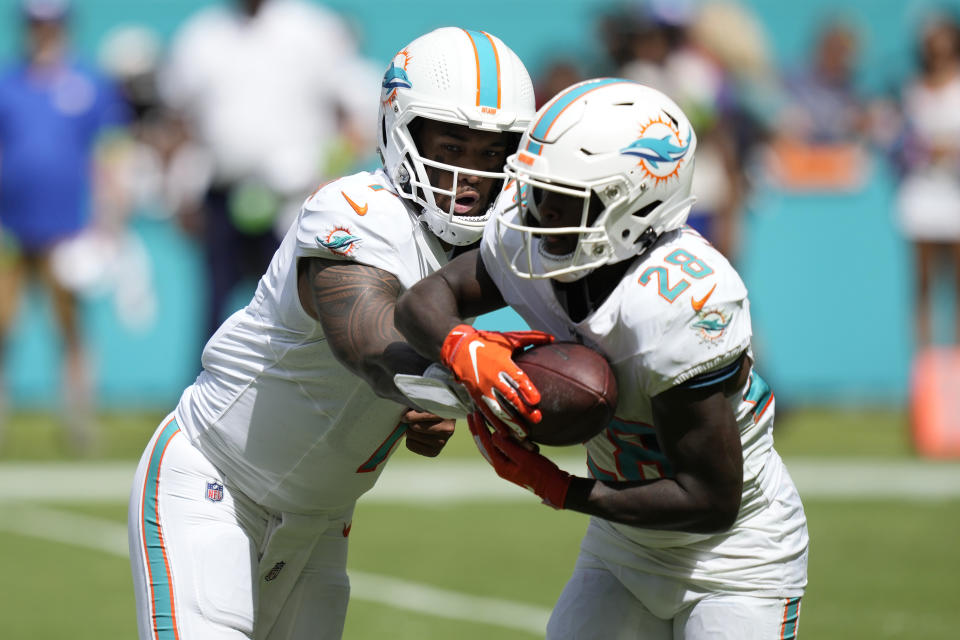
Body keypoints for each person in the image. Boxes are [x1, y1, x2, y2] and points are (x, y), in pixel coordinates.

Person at [127, 27, 534, 640]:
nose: (469, 174)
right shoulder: (355, 209)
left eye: (489, 153)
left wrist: (420, 400)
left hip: (320, 523)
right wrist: (458, 371)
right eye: (452, 145)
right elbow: (367, 343)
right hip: (216, 482)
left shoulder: (483, 245)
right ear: (403, 133)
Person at [395, 79, 808, 639]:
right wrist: (460, 347)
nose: (537, 215)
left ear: (635, 201)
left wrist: (559, 488)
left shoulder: (681, 300)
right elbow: (424, 301)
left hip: (734, 558)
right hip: (623, 545)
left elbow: (710, 500)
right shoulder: (536, 239)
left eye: (563, 196)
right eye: (538, 190)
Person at [159, 0, 382, 340]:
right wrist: (180, 191)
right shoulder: (201, 36)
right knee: (215, 304)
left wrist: (327, 178)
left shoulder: (313, 29)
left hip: (296, 200)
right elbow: (177, 121)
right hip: (222, 194)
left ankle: (302, 389)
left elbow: (354, 115)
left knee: (296, 305)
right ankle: (211, 389)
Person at [0, 0, 129, 450]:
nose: (44, 32)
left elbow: (109, 152)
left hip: (68, 229)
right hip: (10, 228)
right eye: (37, 24)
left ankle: (79, 421)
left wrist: (110, 216)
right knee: (3, 324)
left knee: (70, 328)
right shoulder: (7, 83)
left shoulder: (88, 83)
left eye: (51, 24)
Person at [895, 14, 960, 347]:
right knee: (923, 284)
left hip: (955, 194)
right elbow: (902, 142)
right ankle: (926, 364)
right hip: (921, 194)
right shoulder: (911, 90)